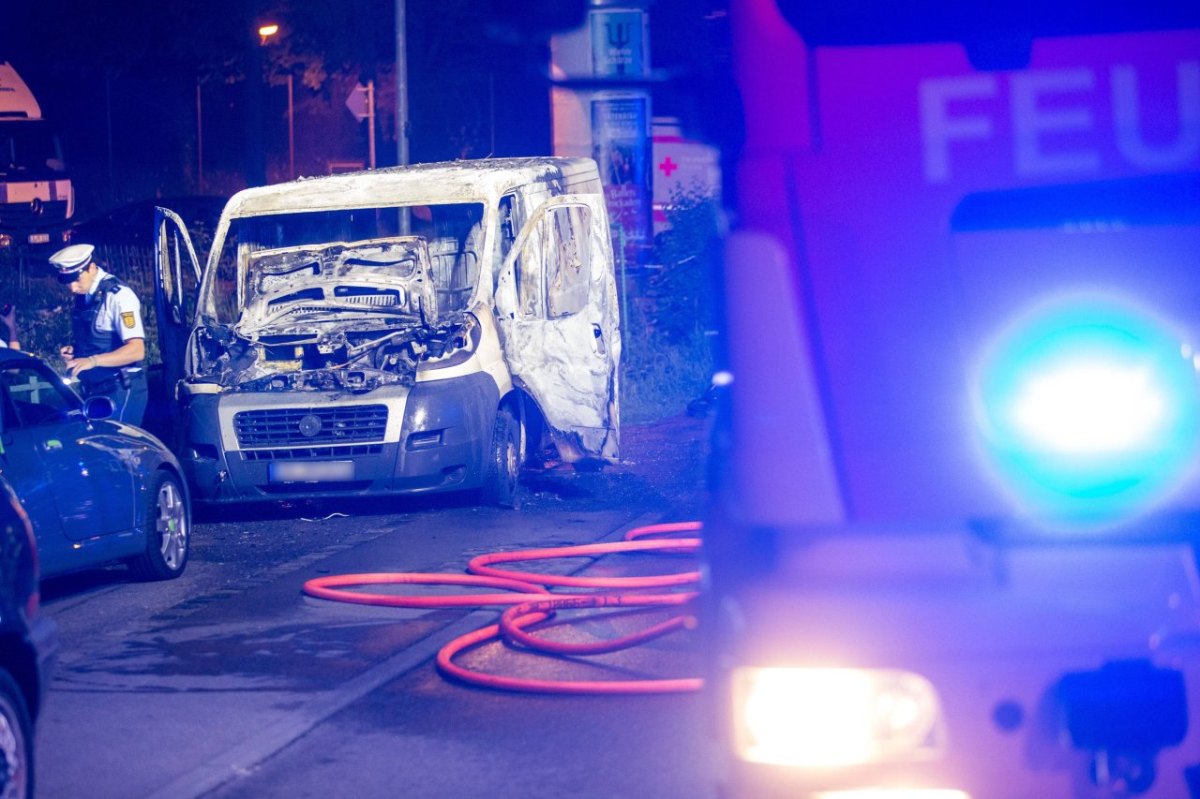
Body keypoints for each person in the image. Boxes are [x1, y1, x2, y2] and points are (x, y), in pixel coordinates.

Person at [48, 243, 148, 425]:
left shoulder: (119, 296)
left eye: (76, 279)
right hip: (96, 390)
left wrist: (92, 361)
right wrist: (77, 351)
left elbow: (136, 350)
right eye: (67, 281)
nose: (72, 288)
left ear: (92, 268)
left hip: (120, 388)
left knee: (120, 449)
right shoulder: (87, 295)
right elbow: (100, 339)